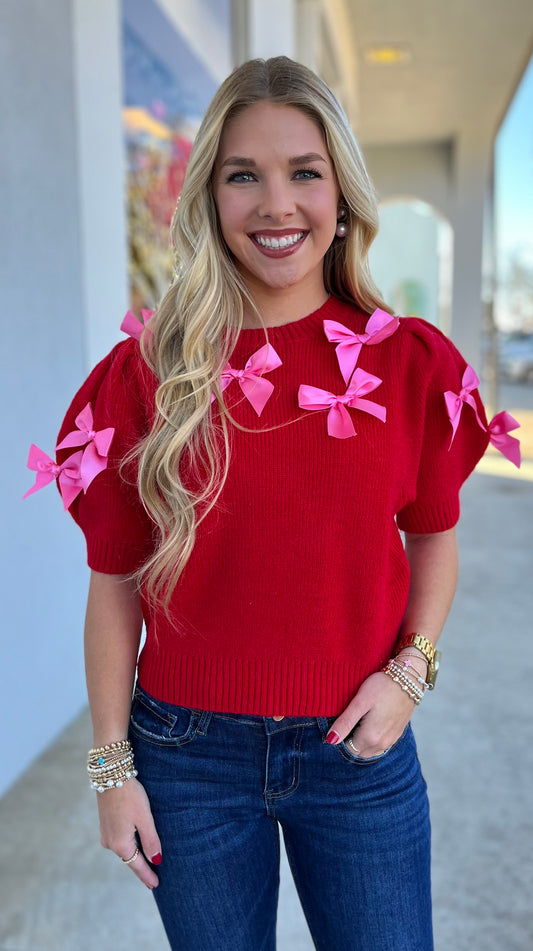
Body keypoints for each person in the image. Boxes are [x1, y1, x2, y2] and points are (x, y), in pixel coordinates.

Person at [25, 56, 520, 951]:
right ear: (209, 195)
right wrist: (110, 769)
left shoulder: (409, 365)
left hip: (356, 753)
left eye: (304, 172)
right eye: (242, 175)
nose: (275, 204)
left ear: (342, 194)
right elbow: (114, 584)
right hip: (186, 759)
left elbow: (434, 541)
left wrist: (407, 677)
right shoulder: (147, 377)